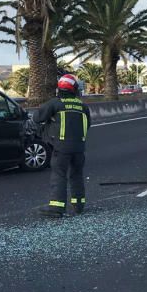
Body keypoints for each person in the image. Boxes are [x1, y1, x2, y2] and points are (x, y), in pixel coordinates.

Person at [34, 74, 91, 217]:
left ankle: (57, 207)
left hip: (61, 148)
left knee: (59, 175)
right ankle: (79, 205)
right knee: (77, 175)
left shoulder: (55, 103)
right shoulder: (83, 106)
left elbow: (37, 117)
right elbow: (88, 124)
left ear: (59, 89)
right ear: (74, 89)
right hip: (79, 148)